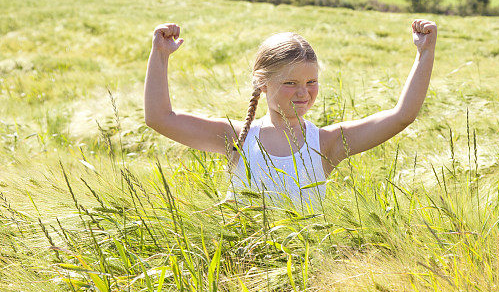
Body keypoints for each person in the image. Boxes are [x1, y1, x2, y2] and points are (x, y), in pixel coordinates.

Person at [144, 18, 438, 210]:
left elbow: (402, 115)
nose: (303, 93)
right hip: (245, 277)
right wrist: (159, 55)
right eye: (290, 83)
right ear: (263, 83)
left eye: (311, 83)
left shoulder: (327, 143)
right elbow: (159, 117)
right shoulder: (235, 138)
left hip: (307, 281)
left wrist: (424, 53)